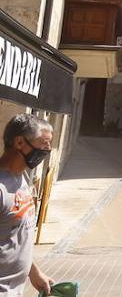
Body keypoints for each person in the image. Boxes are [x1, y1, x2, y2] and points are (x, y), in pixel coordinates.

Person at [0, 114, 55, 296]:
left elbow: (14, 236)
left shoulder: (21, 178)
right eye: (43, 143)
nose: (47, 149)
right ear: (19, 143)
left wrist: (34, 273)